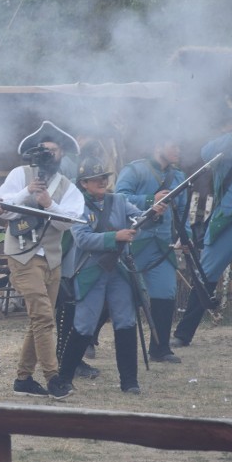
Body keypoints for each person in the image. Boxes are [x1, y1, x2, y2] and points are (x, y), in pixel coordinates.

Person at [0, 121, 85, 400]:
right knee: (44, 317)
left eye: (53, 150)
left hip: (52, 259)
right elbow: (1, 208)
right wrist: (26, 192)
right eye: (43, 150)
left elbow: (68, 222)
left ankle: (23, 379)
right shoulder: (19, 175)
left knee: (39, 320)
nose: (48, 155)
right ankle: (54, 378)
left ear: (61, 154)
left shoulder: (67, 186)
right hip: (22, 256)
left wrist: (48, 204)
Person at [58, 157, 163, 394]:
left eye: (104, 177)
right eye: (97, 178)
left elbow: (139, 219)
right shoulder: (77, 206)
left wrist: (153, 213)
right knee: (84, 324)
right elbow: (82, 239)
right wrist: (114, 237)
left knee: (126, 321)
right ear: (84, 183)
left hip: (119, 270)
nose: (102, 181)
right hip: (91, 271)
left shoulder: (118, 200)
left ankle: (129, 381)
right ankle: (64, 377)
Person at [171, 113, 232, 348]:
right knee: (205, 278)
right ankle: (183, 334)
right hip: (226, 222)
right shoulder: (227, 144)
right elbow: (206, 153)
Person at [115, 131, 185, 363]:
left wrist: (185, 237)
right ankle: (89, 341)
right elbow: (118, 199)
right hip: (134, 243)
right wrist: (149, 200)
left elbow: (182, 213)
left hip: (162, 244)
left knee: (165, 293)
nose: (178, 150)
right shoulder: (135, 170)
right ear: (158, 145)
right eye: (173, 144)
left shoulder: (179, 177)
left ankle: (160, 348)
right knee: (117, 291)